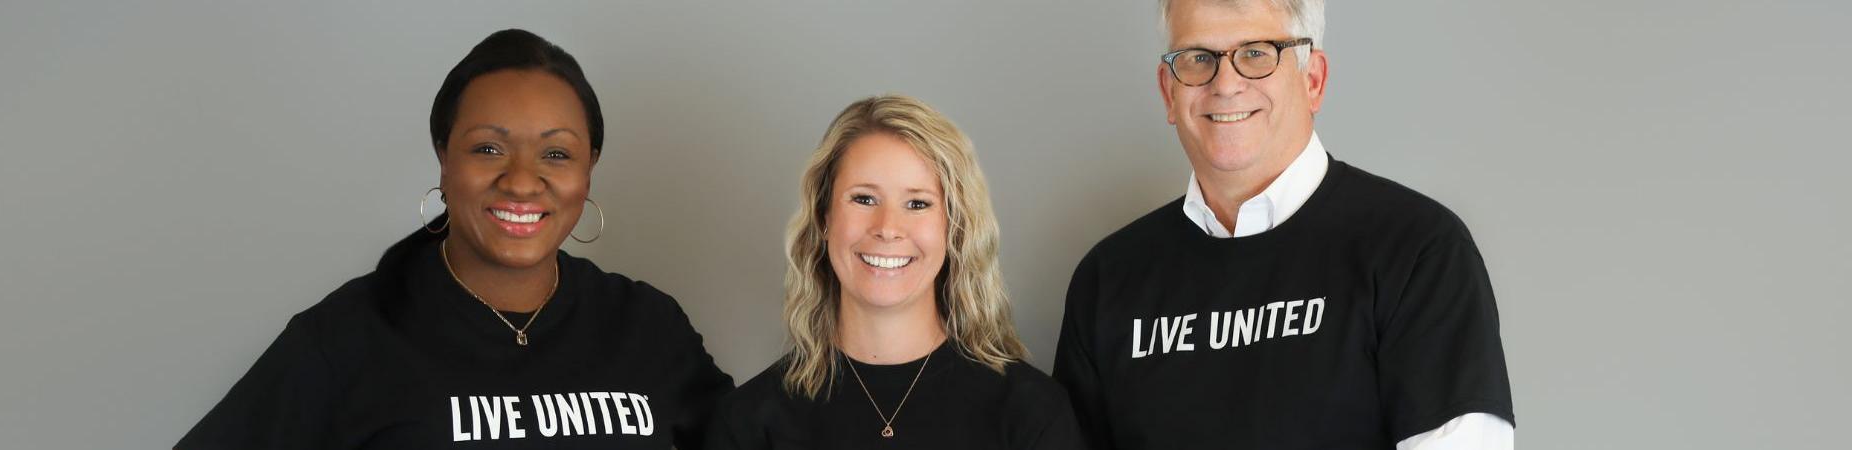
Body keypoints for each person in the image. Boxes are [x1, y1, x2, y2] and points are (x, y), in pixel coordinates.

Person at [176, 29, 733, 449]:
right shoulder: (347, 337)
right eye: (488, 148)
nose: (520, 180)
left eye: (556, 153)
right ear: (444, 158)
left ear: (590, 168)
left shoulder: (648, 327)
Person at [1053, 1, 1516, 448]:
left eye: (1256, 53)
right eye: (1198, 58)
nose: (1226, 83)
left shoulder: (1418, 251)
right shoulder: (1108, 280)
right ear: (1167, 90)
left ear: (1312, 80)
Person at [705, 95, 1085, 449]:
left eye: (917, 203)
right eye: (864, 198)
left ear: (954, 228)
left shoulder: (1030, 412)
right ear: (824, 218)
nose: (887, 227)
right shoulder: (750, 423)